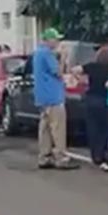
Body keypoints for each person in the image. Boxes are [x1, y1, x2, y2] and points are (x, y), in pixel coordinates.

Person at [33, 27, 79, 170]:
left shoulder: (38, 53)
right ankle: (61, 157)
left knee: (45, 128)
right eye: (56, 39)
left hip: (42, 96)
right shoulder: (47, 54)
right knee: (57, 128)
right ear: (48, 40)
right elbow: (58, 72)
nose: (58, 42)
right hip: (53, 96)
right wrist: (64, 57)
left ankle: (44, 157)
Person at [71, 45, 108, 165]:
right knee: (104, 129)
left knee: (92, 128)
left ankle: (95, 154)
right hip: (105, 100)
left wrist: (80, 79)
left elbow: (75, 70)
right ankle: (102, 152)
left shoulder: (92, 66)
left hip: (91, 99)